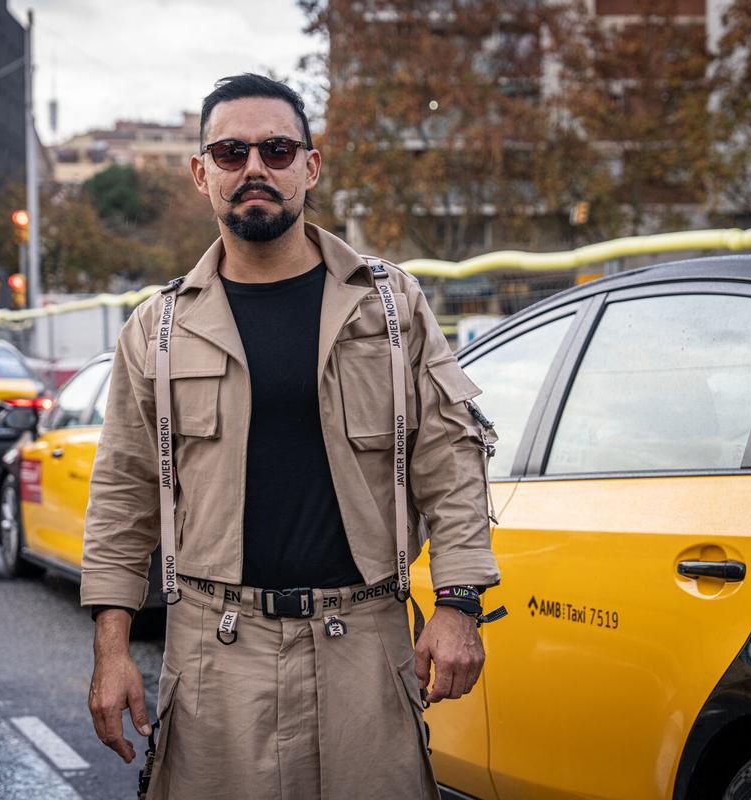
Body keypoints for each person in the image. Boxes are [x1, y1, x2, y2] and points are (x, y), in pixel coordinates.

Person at [82, 73, 501, 800]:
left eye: (277, 150)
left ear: (310, 166)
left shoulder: (390, 305)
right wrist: (111, 651)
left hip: (367, 648)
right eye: (230, 151)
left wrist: (459, 603)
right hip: (215, 659)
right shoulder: (158, 330)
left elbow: (448, 455)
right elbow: (123, 495)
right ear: (200, 173)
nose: (254, 168)